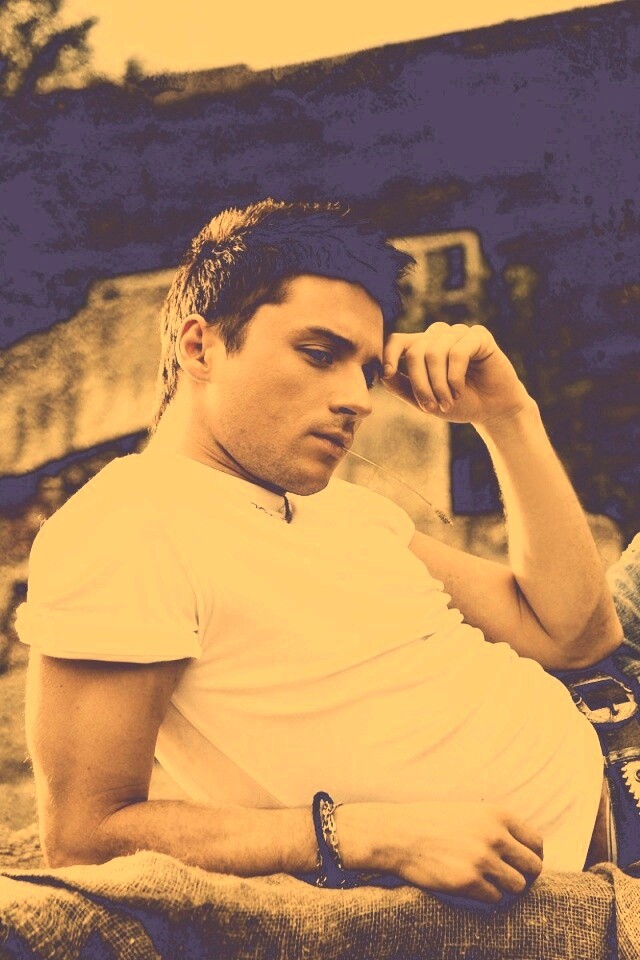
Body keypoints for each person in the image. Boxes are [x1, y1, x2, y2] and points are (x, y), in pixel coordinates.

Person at [17, 199, 624, 905]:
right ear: (200, 347)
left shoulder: (337, 508)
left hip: (613, 739)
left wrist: (508, 416)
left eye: (366, 368)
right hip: (585, 852)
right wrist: (359, 833)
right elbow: (85, 837)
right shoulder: (129, 525)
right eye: (319, 355)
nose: (358, 400)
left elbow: (575, 634)